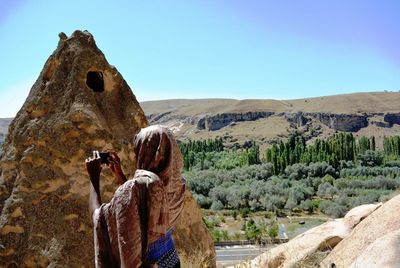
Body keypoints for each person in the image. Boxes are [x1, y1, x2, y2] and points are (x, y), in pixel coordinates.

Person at [85, 125, 186, 268]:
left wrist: (93, 176)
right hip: (171, 260)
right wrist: (119, 174)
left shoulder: (137, 188)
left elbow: (99, 218)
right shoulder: (178, 185)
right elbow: (145, 205)